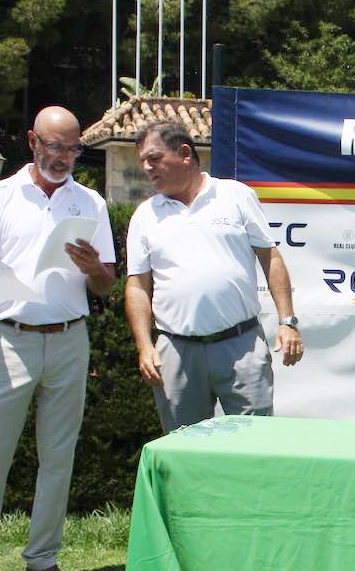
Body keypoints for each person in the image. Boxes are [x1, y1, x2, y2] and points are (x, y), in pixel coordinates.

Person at [0, 106, 117, 571]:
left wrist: (93, 267)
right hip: (10, 339)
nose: (63, 157)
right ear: (31, 142)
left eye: (73, 148)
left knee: (58, 456)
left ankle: (42, 560)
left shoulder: (91, 204)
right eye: (54, 147)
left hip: (70, 338)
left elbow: (105, 286)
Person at [124, 121, 303, 431]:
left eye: (153, 157)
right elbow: (138, 286)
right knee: (184, 454)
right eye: (142, 160)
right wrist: (144, 345)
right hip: (176, 352)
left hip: (241, 345)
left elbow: (270, 256)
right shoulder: (145, 215)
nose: (146, 167)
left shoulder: (235, 195)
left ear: (183, 153)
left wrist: (287, 322)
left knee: (254, 447)